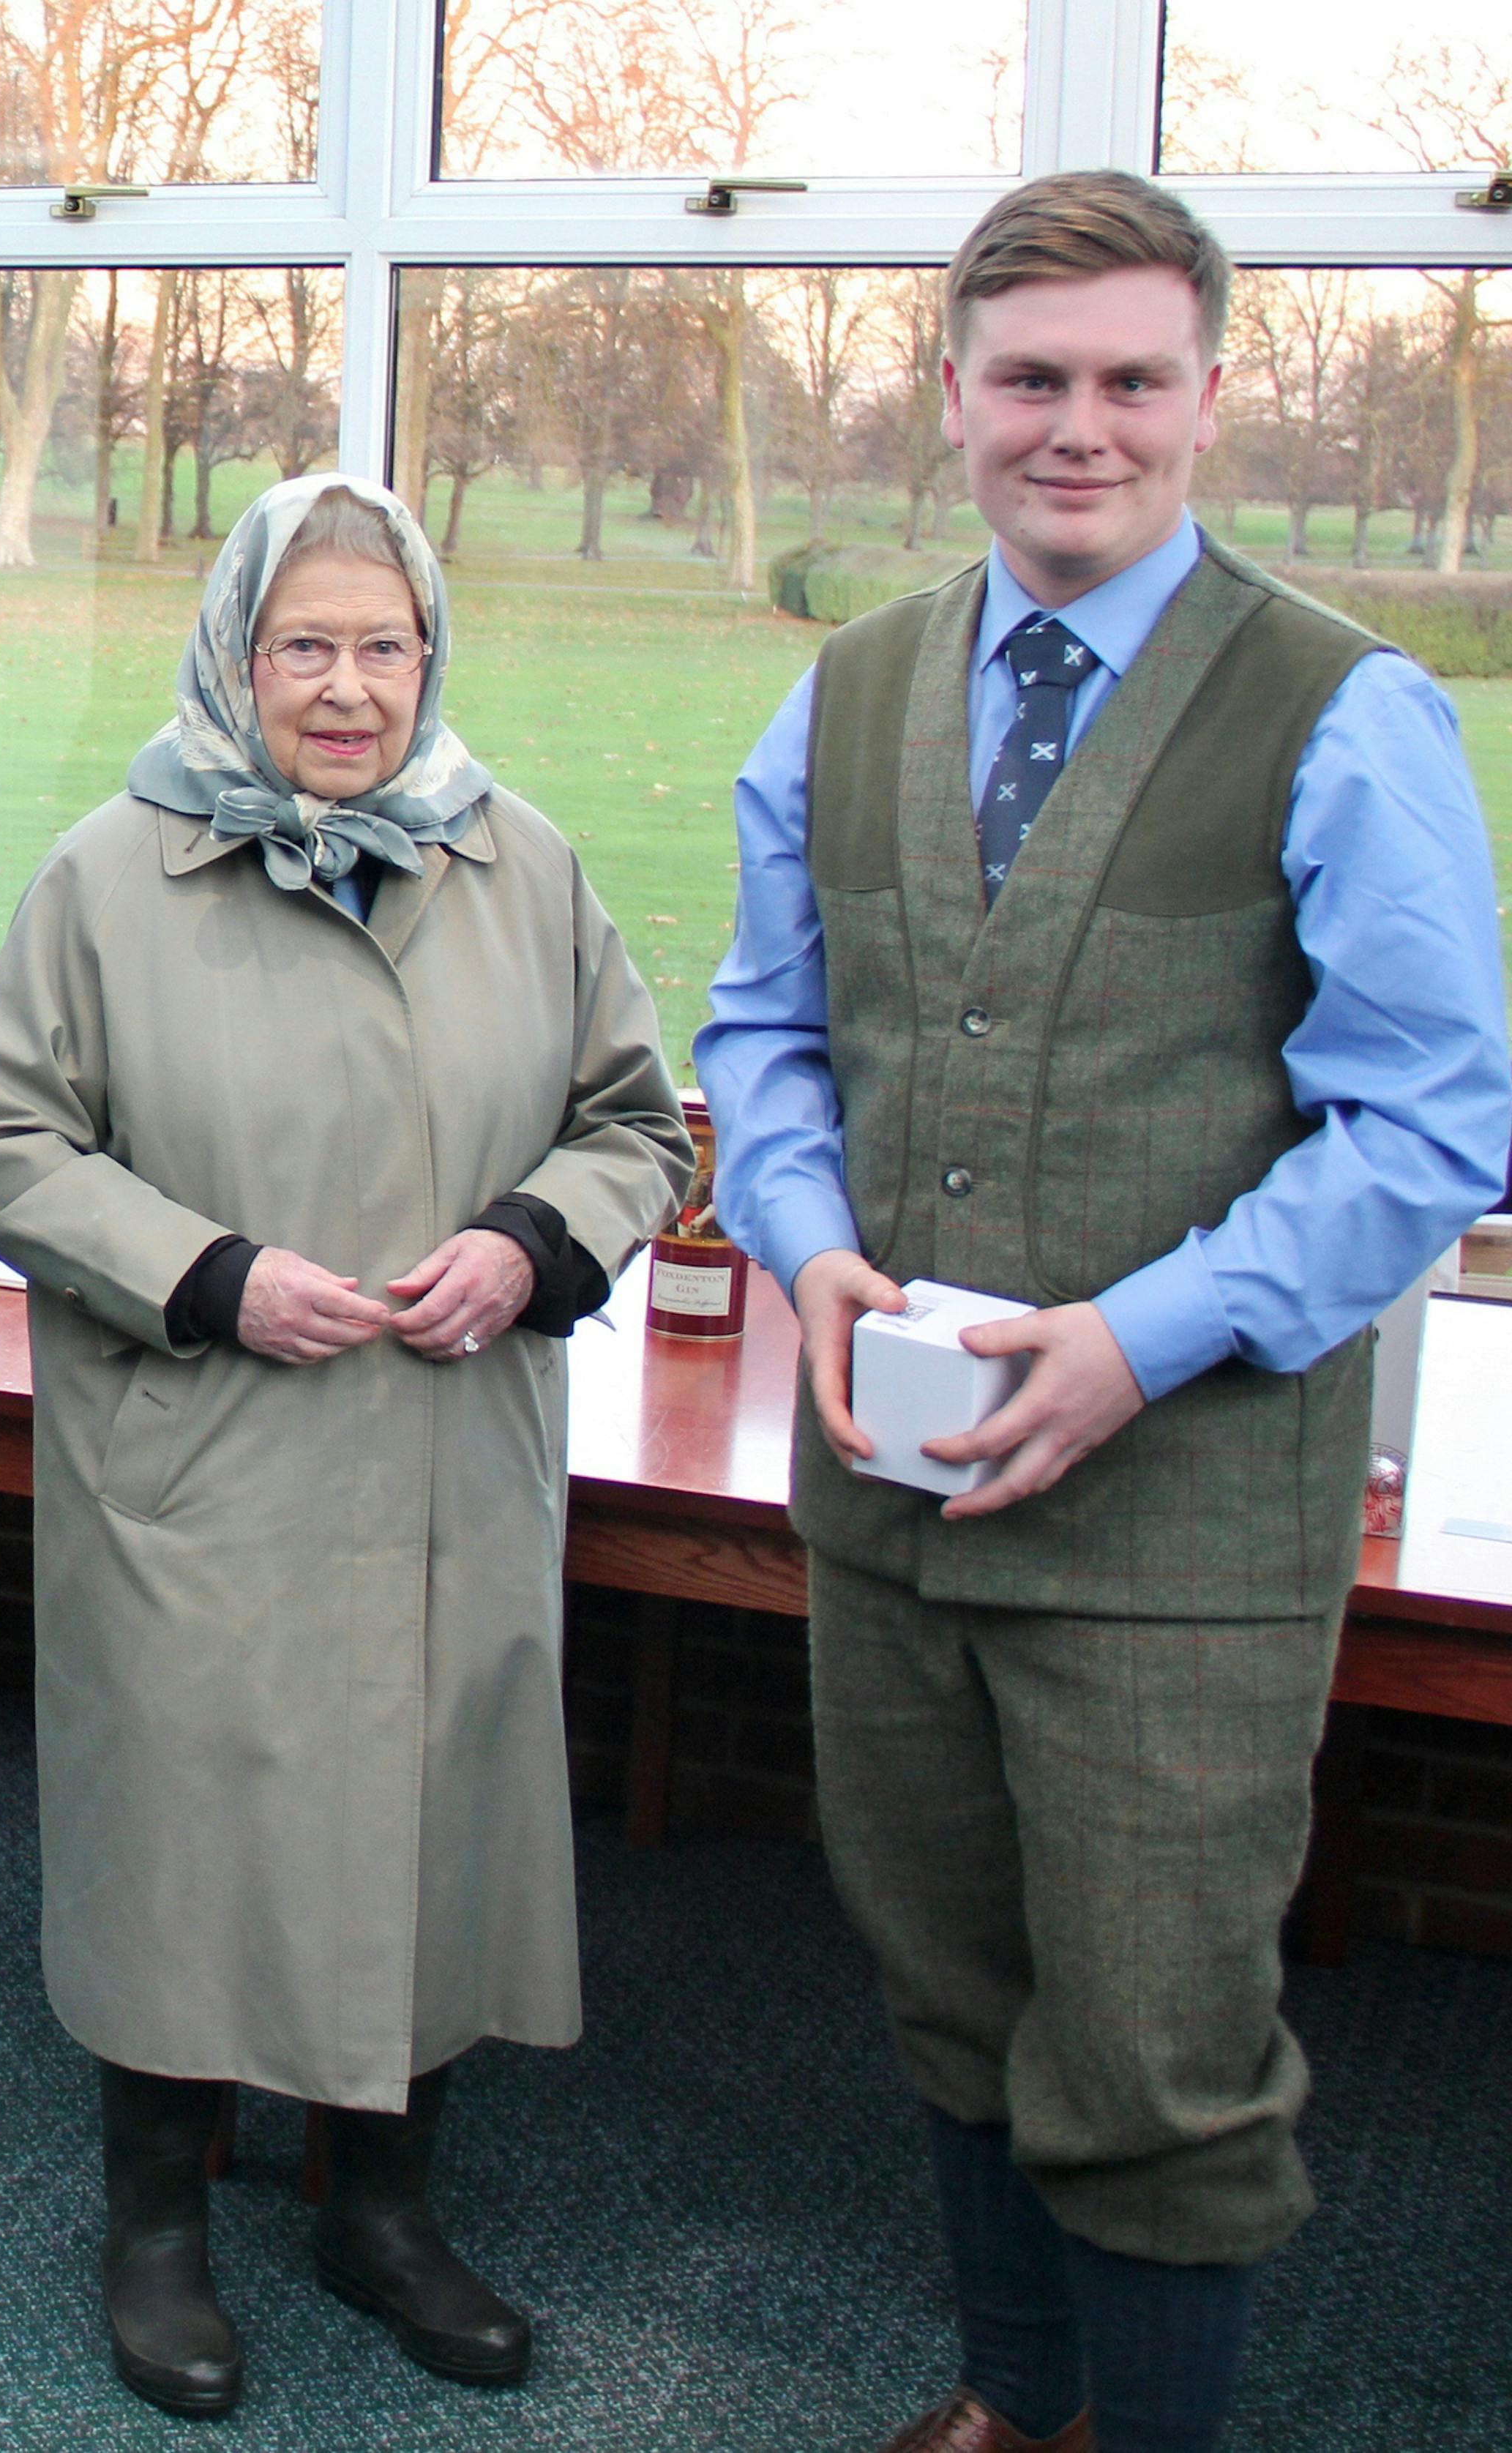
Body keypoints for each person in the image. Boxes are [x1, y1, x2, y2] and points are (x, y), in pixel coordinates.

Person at [695, 172, 1511, 2453]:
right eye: (1031, 380)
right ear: (952, 398)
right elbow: (764, 1029)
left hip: (1179, 1543)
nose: (1081, 428)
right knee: (951, 1992)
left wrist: (1141, 1336)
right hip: (892, 1501)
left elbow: (1438, 1125)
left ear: (1209, 401)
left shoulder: (1349, 713)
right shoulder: (845, 695)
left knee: (1155, 2056)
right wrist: (804, 1231)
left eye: (1131, 381)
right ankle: (1015, 2402)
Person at [0, 473, 691, 2419]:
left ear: (431, 657)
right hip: (205, 1449)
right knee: (184, 1832)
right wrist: (205, 1276)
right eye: (305, 647)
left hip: (446, 1445)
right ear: (235, 655)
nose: (346, 690)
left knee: (428, 1826)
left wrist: (530, 1250)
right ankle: (157, 2228)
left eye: (384, 647)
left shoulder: (526, 864)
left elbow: (639, 1125)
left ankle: (385, 2211)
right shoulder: (112, 875)